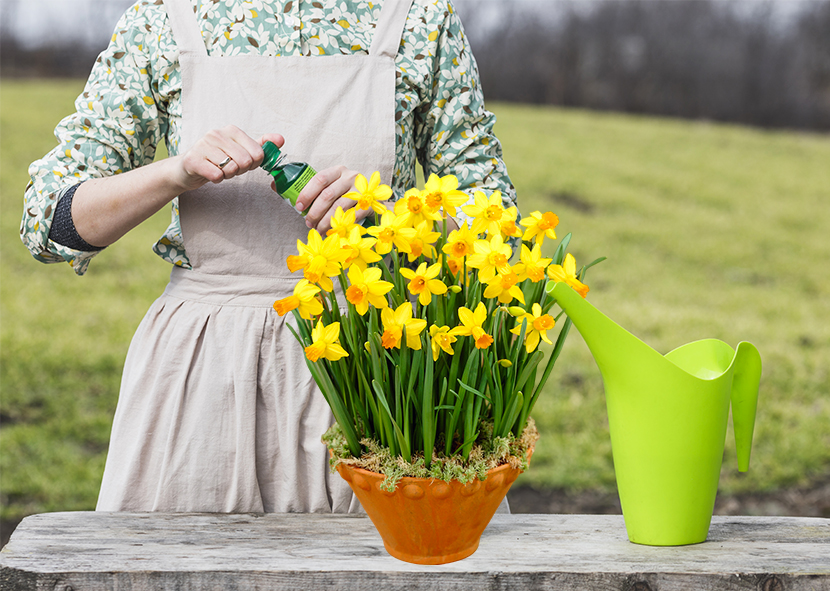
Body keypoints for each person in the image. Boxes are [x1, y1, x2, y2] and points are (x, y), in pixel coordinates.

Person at [21, 0, 517, 514]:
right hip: (203, 381)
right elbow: (51, 224)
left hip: (381, 383)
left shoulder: (420, 20)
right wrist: (176, 173)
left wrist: (391, 215)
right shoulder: (162, 21)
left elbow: (501, 229)